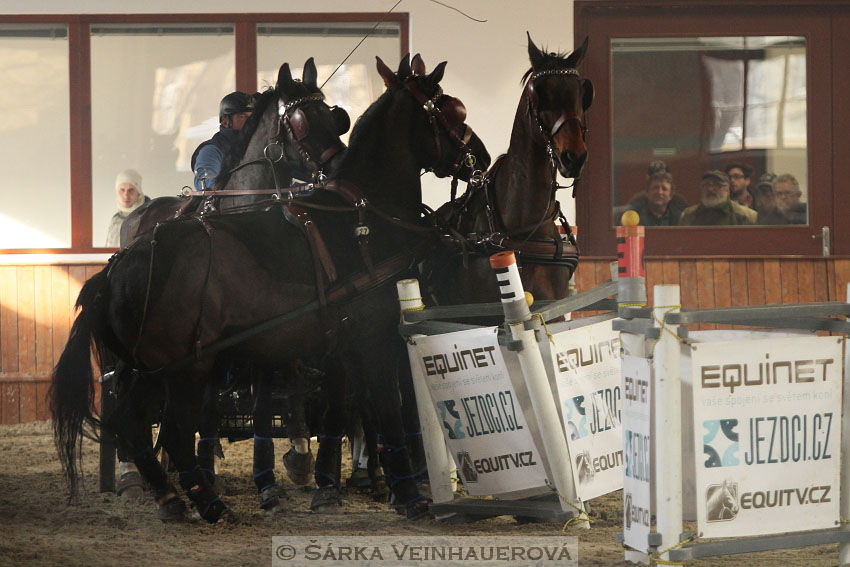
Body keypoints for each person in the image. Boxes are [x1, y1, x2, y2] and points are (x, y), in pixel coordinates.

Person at [190, 91, 255, 190]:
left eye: (252, 117)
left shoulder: (259, 146)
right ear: (225, 122)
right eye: (242, 116)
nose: (250, 121)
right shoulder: (212, 150)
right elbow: (206, 181)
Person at [679, 170, 757, 226]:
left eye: (717, 185)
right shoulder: (688, 215)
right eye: (706, 185)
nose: (710, 189)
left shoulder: (746, 216)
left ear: (728, 189)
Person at [621, 160, 687, 226]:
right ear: (647, 191)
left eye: (664, 189)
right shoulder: (635, 208)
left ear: (671, 195)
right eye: (655, 188)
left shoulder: (680, 214)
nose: (659, 192)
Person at [105, 168, 149, 247]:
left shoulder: (149, 216)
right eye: (122, 190)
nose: (126, 195)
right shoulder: (115, 220)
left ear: (138, 192)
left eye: (131, 190)